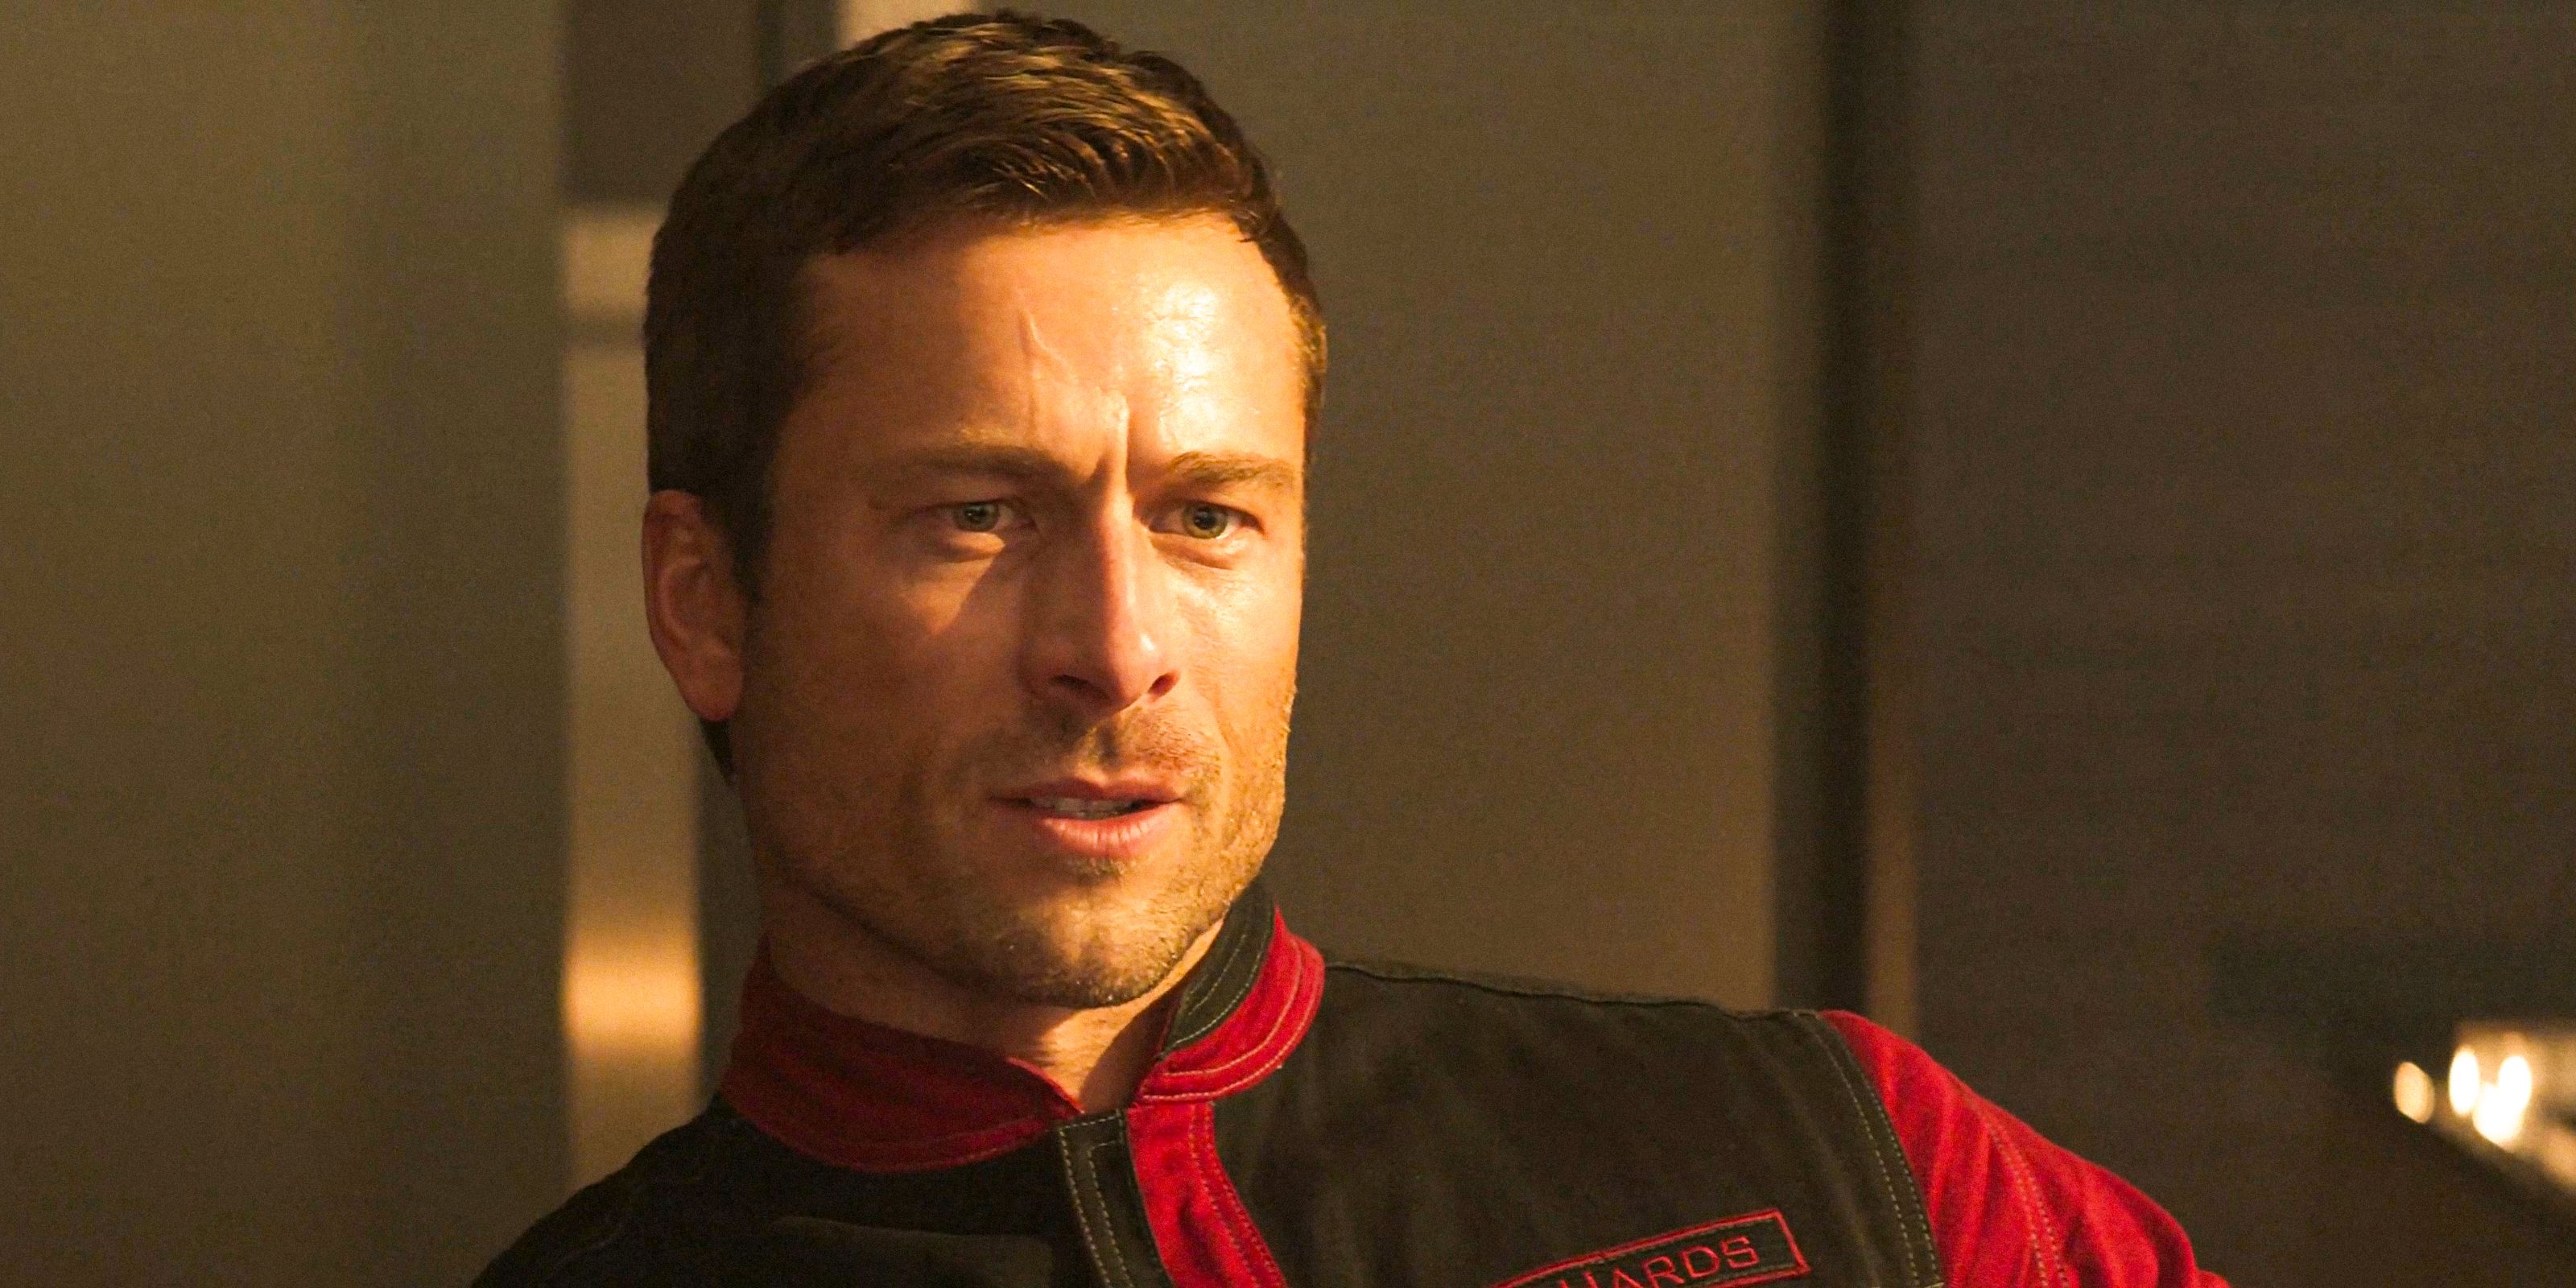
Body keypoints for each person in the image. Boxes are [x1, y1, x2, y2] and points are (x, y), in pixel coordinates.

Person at [481, 12, 2227, 1286]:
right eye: (980, 515)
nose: (1115, 648)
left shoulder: (1836, 1150)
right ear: (705, 602)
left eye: (1205, 515)